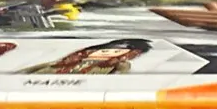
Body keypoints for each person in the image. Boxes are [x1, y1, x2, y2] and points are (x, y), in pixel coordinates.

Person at [23, 38, 152, 75]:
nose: (107, 51)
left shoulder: (117, 65)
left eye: (118, 50)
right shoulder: (76, 57)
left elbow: (119, 77)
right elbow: (48, 65)